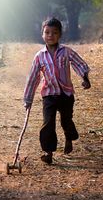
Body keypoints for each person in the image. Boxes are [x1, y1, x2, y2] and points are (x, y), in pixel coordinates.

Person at [23, 17, 91, 164]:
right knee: (48, 123)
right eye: (47, 32)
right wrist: (27, 99)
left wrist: (85, 78)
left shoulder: (66, 52)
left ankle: (69, 137)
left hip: (66, 94)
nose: (50, 35)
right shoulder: (39, 56)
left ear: (60, 34)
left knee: (66, 121)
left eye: (54, 32)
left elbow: (79, 63)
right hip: (49, 95)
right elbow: (33, 78)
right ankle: (48, 152)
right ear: (42, 34)